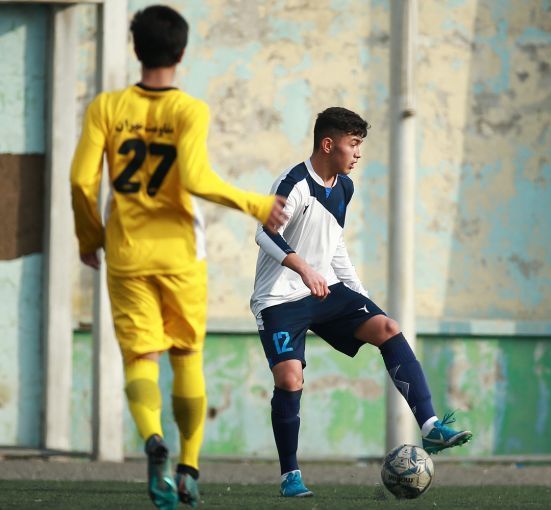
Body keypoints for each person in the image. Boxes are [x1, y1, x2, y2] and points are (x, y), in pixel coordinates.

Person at [70, 5, 287, 509]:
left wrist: (90, 237)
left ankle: (152, 438)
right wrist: (255, 203)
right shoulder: (190, 110)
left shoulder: (105, 107)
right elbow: (193, 177)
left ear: (135, 48)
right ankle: (189, 466)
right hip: (181, 255)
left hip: (126, 253)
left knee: (140, 357)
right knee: (186, 355)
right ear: (182, 52)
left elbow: (82, 180)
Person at [250, 106, 472, 497]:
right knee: (289, 378)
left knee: (387, 327)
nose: (358, 153)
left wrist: (359, 295)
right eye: (353, 144)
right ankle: (290, 476)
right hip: (280, 299)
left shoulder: (344, 188)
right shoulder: (293, 183)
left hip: (325, 290)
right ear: (328, 144)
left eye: (360, 145)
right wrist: (304, 269)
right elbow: (265, 234)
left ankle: (431, 427)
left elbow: (334, 245)